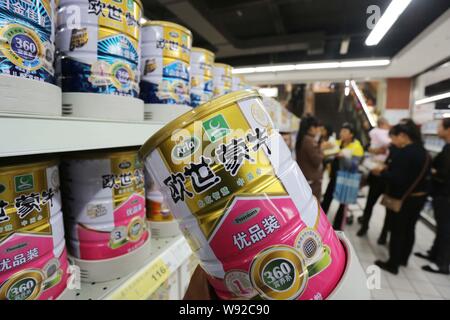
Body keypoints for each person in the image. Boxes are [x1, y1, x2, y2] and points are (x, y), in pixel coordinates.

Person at [373, 123, 431, 275]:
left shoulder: (405, 153)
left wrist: (381, 173)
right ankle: (403, 259)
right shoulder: (424, 152)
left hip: (403, 198)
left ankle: (393, 264)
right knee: (410, 228)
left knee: (398, 230)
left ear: (404, 136)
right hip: (419, 198)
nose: (393, 141)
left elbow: (397, 178)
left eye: (395, 137)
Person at [416, 118, 450, 275]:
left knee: (445, 230)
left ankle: (441, 264)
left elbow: (444, 174)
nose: (437, 130)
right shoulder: (446, 148)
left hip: (445, 196)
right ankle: (434, 254)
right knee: (442, 228)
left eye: (439, 127)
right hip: (440, 194)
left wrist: (433, 172)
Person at [321, 123, 364, 229]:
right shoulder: (337, 143)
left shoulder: (357, 147)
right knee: (327, 198)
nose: (342, 133)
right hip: (335, 177)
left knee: (343, 204)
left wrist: (343, 156)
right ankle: (321, 221)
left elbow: (355, 165)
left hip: (346, 179)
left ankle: (337, 228)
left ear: (351, 135)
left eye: (345, 131)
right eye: (341, 131)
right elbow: (326, 156)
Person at [357, 117, 391, 236]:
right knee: (370, 203)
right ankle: (365, 226)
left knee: (387, 207)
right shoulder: (379, 134)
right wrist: (374, 150)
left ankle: (384, 233)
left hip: (387, 176)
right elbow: (368, 147)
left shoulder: (392, 139)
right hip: (376, 175)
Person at [295, 115, 324, 200]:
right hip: (311, 181)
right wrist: (321, 149)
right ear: (311, 128)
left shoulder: (302, 138)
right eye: (317, 127)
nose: (319, 130)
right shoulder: (309, 141)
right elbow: (317, 160)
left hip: (305, 178)